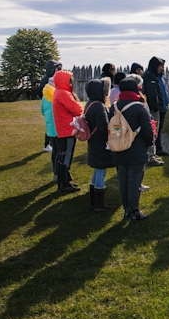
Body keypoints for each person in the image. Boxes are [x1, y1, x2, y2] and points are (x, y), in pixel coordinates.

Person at [110, 74, 154, 221]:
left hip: (119, 147)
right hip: (137, 148)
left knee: (123, 180)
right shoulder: (140, 108)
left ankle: (127, 210)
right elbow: (148, 130)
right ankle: (134, 211)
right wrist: (150, 143)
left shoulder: (114, 107)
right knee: (134, 180)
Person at [85, 78, 115, 212]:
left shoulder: (90, 103)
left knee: (97, 170)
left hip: (94, 142)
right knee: (100, 171)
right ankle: (99, 203)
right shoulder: (99, 106)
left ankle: (93, 201)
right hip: (100, 143)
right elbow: (104, 127)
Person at [51, 69, 83, 193]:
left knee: (62, 155)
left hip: (62, 128)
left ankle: (64, 180)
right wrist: (78, 103)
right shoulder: (64, 94)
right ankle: (64, 184)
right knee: (66, 157)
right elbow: (77, 109)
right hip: (67, 129)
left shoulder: (58, 92)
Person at [142, 57, 166, 166]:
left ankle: (152, 154)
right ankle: (150, 157)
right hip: (152, 110)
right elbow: (152, 94)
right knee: (152, 132)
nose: (162, 68)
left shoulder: (151, 75)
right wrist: (156, 107)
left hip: (153, 108)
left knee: (153, 132)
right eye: (161, 66)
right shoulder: (150, 76)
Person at [38, 60, 62, 152]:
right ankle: (48, 144)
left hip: (48, 102)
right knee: (51, 124)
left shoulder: (47, 78)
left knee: (50, 123)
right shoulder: (47, 79)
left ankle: (49, 143)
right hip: (49, 102)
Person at [40, 76, 58, 182]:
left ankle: (55, 170)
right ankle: (57, 172)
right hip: (56, 124)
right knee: (59, 150)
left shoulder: (45, 95)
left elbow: (42, 110)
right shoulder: (54, 95)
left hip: (49, 124)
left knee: (55, 149)